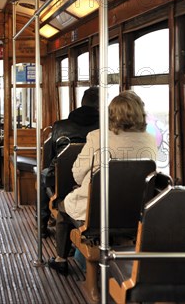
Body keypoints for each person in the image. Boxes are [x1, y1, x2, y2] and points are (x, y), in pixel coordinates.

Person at [48, 90, 157, 275]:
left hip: (95, 211)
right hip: (133, 212)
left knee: (62, 207)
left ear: (110, 113)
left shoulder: (97, 137)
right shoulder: (149, 139)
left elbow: (77, 174)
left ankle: (61, 259)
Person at [40, 86, 99, 237]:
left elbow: (50, 157)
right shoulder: (104, 129)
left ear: (81, 102)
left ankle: (42, 224)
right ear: (99, 106)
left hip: (61, 179)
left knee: (43, 176)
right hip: (92, 183)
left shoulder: (60, 126)